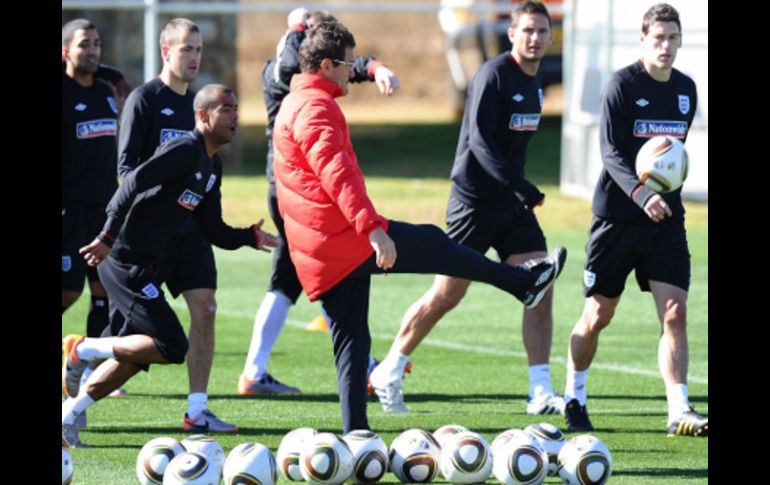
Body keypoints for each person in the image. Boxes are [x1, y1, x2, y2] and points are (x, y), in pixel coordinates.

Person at [272, 20, 567, 433]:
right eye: (347, 65)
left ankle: (356, 434)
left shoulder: (298, 99)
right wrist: (373, 229)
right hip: (343, 239)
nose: (351, 73)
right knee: (432, 242)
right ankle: (520, 283)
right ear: (324, 65)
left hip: (320, 248)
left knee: (352, 344)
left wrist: (373, 69)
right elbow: (337, 175)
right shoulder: (315, 108)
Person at [370, 0, 564, 416]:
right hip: (474, 204)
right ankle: (390, 368)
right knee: (447, 293)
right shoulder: (493, 75)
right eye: (526, 30)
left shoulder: (535, 83)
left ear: (550, 35)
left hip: (511, 207)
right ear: (511, 34)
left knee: (540, 284)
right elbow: (480, 144)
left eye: (541, 31)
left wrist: (517, 192)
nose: (534, 38)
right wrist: (521, 186)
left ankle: (540, 391)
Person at [62, 84, 278, 448]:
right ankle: (83, 350)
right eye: (226, 108)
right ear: (202, 115)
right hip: (123, 261)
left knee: (136, 356)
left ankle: (69, 414)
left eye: (237, 108)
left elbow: (212, 228)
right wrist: (107, 237)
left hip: (147, 264)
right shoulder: (183, 149)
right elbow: (131, 182)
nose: (235, 116)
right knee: (172, 345)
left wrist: (248, 237)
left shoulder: (212, 165)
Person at [237, 8, 402, 396]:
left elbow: (344, 63)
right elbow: (328, 64)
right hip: (296, 188)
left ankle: (255, 372)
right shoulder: (290, 65)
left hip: (296, 187)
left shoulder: (298, 60)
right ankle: (363, 366)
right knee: (331, 269)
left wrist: (375, 67)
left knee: (288, 277)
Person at [562, 3, 707, 437]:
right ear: (642, 40)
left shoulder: (686, 89)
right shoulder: (621, 86)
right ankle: (574, 393)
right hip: (617, 220)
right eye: (657, 37)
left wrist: (666, 188)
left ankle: (679, 408)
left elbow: (669, 155)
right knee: (598, 314)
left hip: (665, 221)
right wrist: (642, 194)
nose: (665, 46)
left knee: (674, 312)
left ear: (681, 41)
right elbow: (610, 154)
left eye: (672, 37)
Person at [118, 18, 235, 432]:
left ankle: (197, 410)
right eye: (186, 49)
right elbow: (127, 170)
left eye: (199, 49)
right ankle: (82, 371)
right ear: (166, 52)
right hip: (151, 239)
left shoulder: (199, 106)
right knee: (136, 347)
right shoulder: (144, 100)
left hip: (191, 233)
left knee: (205, 309)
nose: (194, 57)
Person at [61, 19, 121, 412]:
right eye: (85, 45)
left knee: (104, 290)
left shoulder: (106, 92)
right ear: (66, 50)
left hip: (104, 209)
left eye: (97, 44)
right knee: (68, 291)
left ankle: (89, 369)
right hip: (68, 210)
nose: (93, 51)